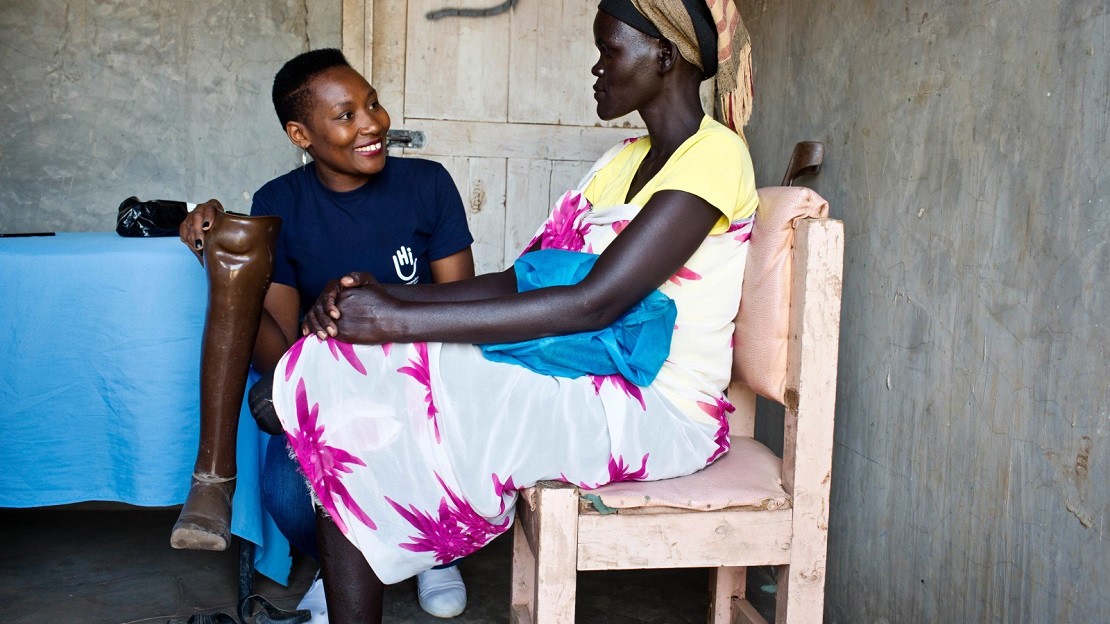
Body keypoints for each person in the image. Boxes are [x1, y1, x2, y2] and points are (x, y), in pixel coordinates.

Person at [268, 1, 758, 621]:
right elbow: (517, 282)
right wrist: (386, 298)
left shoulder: (713, 155)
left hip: (657, 405)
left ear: (664, 55)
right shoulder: (622, 163)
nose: (596, 67)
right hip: (584, 371)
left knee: (385, 381)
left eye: (609, 49)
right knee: (351, 370)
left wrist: (396, 323)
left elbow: (595, 302)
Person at [178, 49, 476, 621]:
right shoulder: (279, 203)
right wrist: (220, 261)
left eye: (374, 104)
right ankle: (348, 563)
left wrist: (381, 315)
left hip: (422, 390)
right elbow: (280, 353)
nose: (372, 124)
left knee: (431, 444)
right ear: (301, 134)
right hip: (332, 395)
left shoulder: (427, 184)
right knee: (288, 493)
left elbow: (456, 315)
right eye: (345, 116)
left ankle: (433, 549)